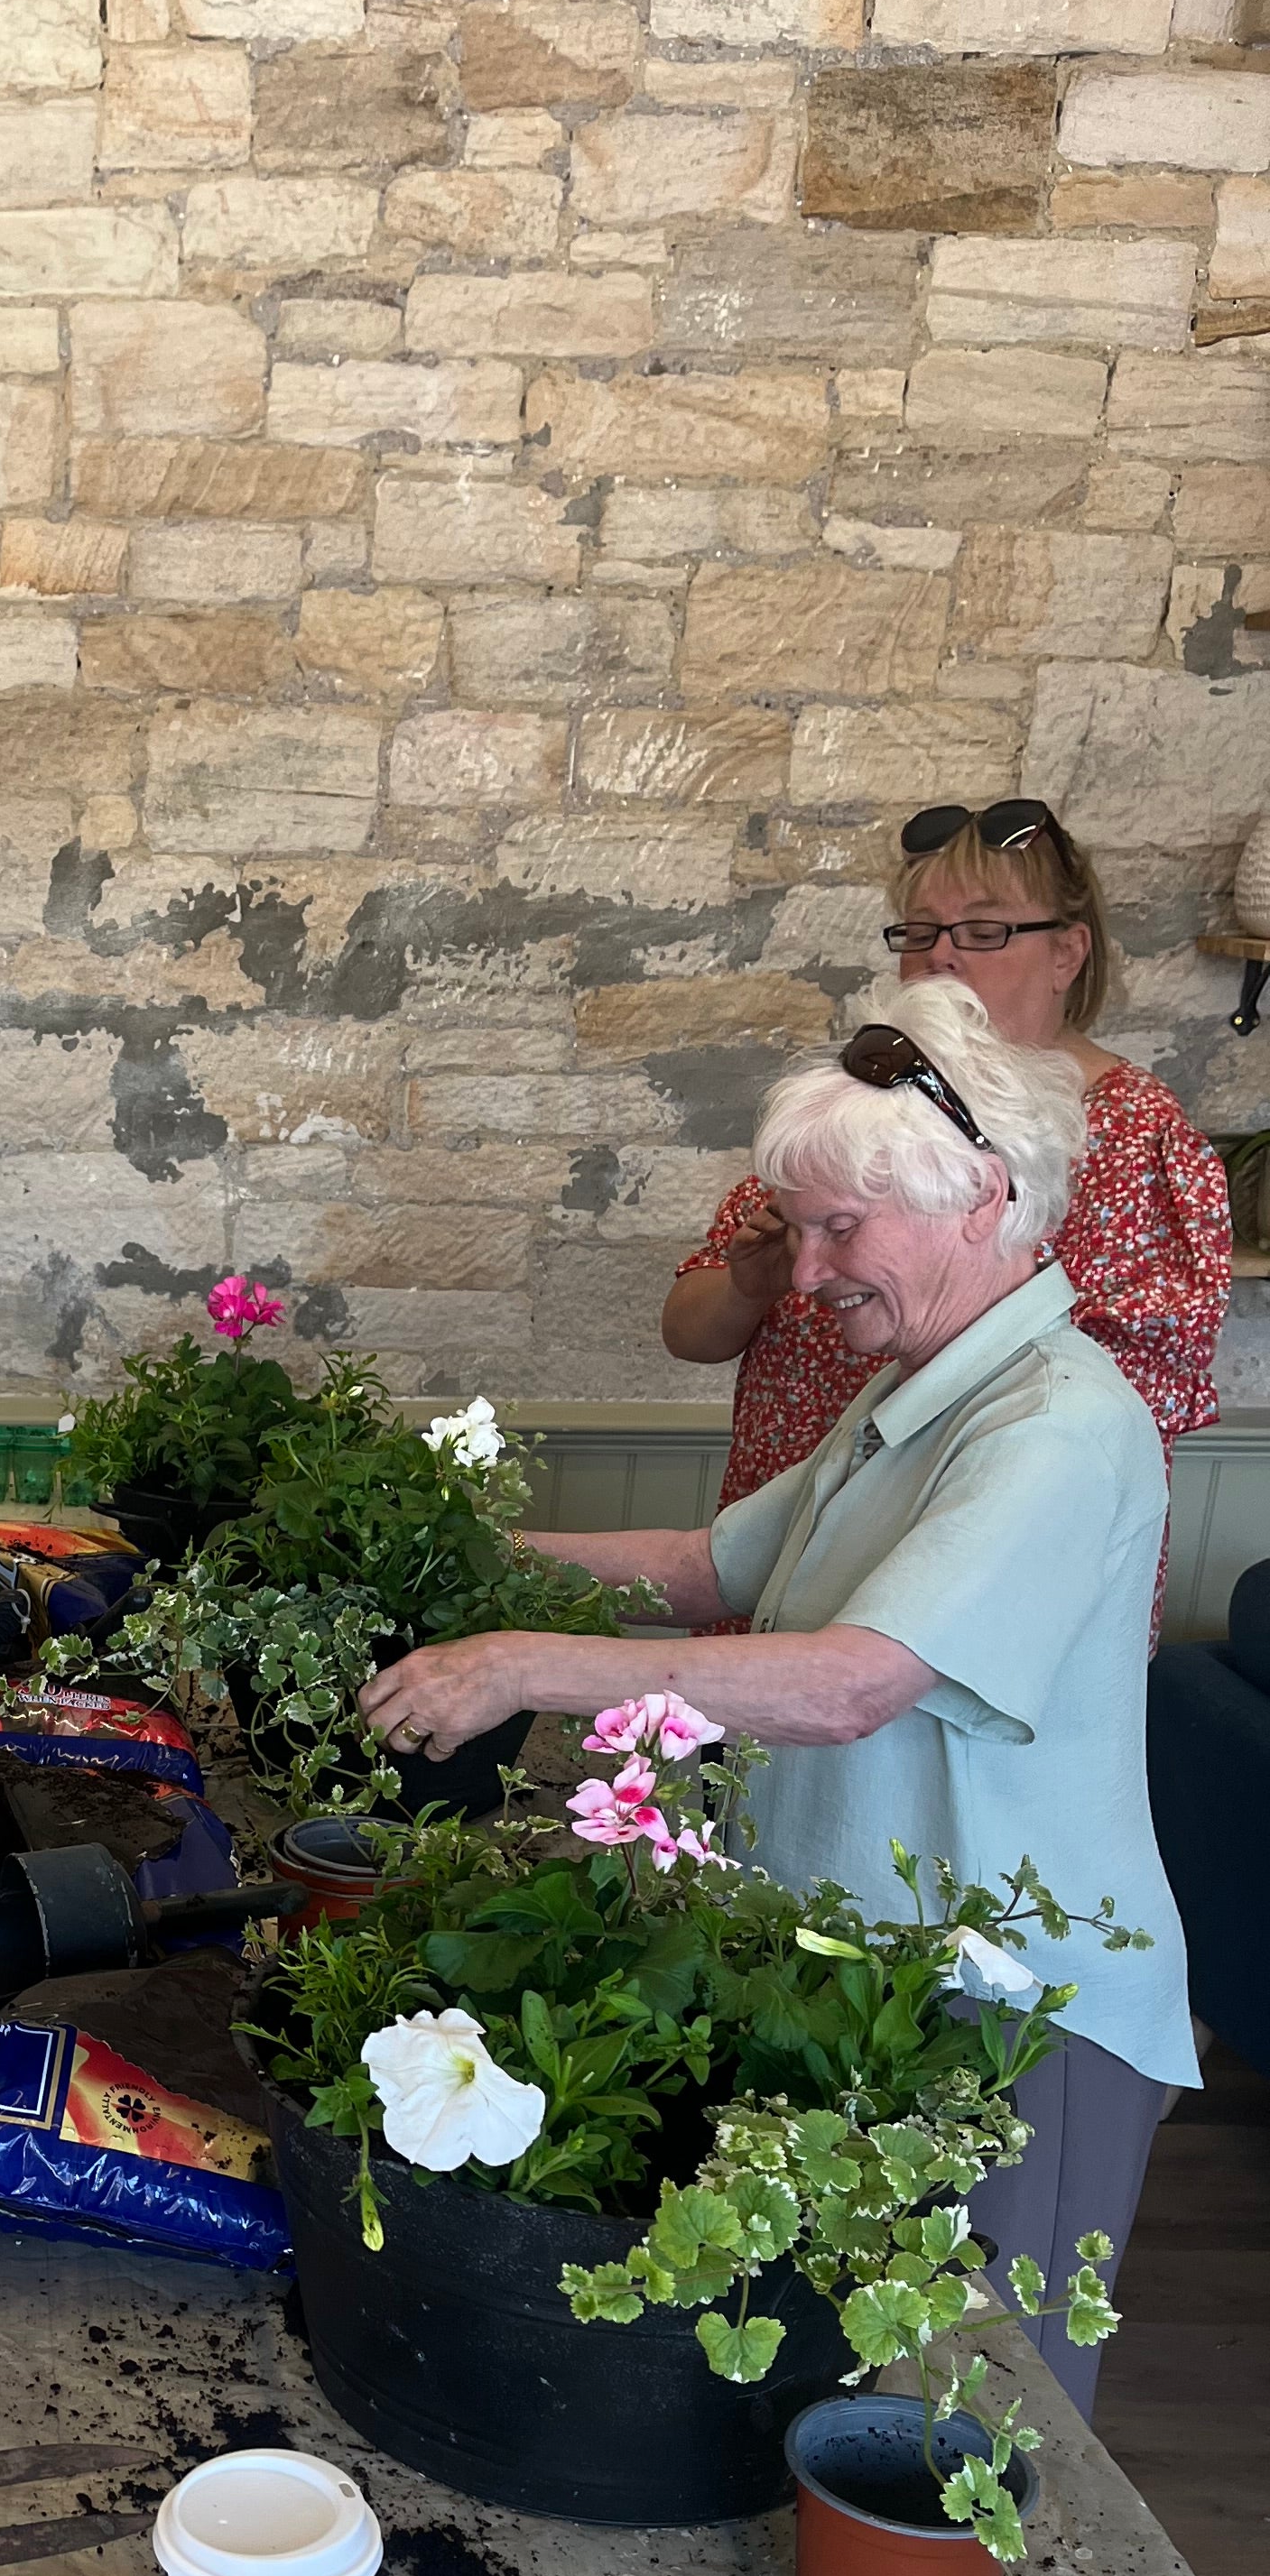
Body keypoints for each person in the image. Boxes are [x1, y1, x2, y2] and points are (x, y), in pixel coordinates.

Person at [361, 980, 1194, 2417]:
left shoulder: (1060, 1424)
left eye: (838, 1230)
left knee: (982, 2415)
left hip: (1020, 2009)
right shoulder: (919, 1389)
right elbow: (711, 1566)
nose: (803, 1277)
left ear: (984, 1196)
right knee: (862, 2379)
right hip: (883, 1973)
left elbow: (856, 1679)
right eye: (796, 1231)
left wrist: (519, 1665)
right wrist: (453, 1551)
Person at [663, 799, 1229, 1633]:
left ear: (1067, 952)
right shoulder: (869, 1097)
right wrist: (752, 1287)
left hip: (974, 1571)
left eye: (984, 930)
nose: (941, 956)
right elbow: (688, 1331)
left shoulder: (1133, 1135)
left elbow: (1112, 1421)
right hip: (784, 1536)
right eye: (921, 931)